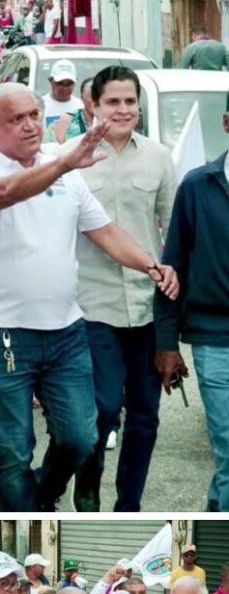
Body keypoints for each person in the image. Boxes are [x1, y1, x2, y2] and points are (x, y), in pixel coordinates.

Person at [0, 82, 178, 511]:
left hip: (66, 331)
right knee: (14, 450)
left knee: (81, 436)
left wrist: (151, 265)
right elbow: (6, 193)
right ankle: (24, 518)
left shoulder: (65, 176)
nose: (28, 126)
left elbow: (105, 232)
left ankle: (41, 496)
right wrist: (61, 166)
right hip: (4, 335)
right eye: (15, 119)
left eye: (34, 115)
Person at [63, 66, 176, 513]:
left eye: (130, 101)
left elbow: (173, 230)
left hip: (148, 307)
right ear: (93, 104)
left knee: (145, 416)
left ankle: (129, 503)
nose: (123, 109)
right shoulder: (71, 157)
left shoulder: (158, 157)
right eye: (113, 101)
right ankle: (87, 481)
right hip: (92, 304)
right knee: (105, 406)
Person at [154, 100, 229, 510]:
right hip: (215, 339)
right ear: (227, 123)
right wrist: (167, 343)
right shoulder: (197, 187)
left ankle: (216, 510)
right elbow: (173, 267)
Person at [42, 60, 84, 127]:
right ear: (50, 81)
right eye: (60, 83)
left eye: (69, 84)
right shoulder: (40, 106)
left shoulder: (81, 107)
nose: (65, 88)